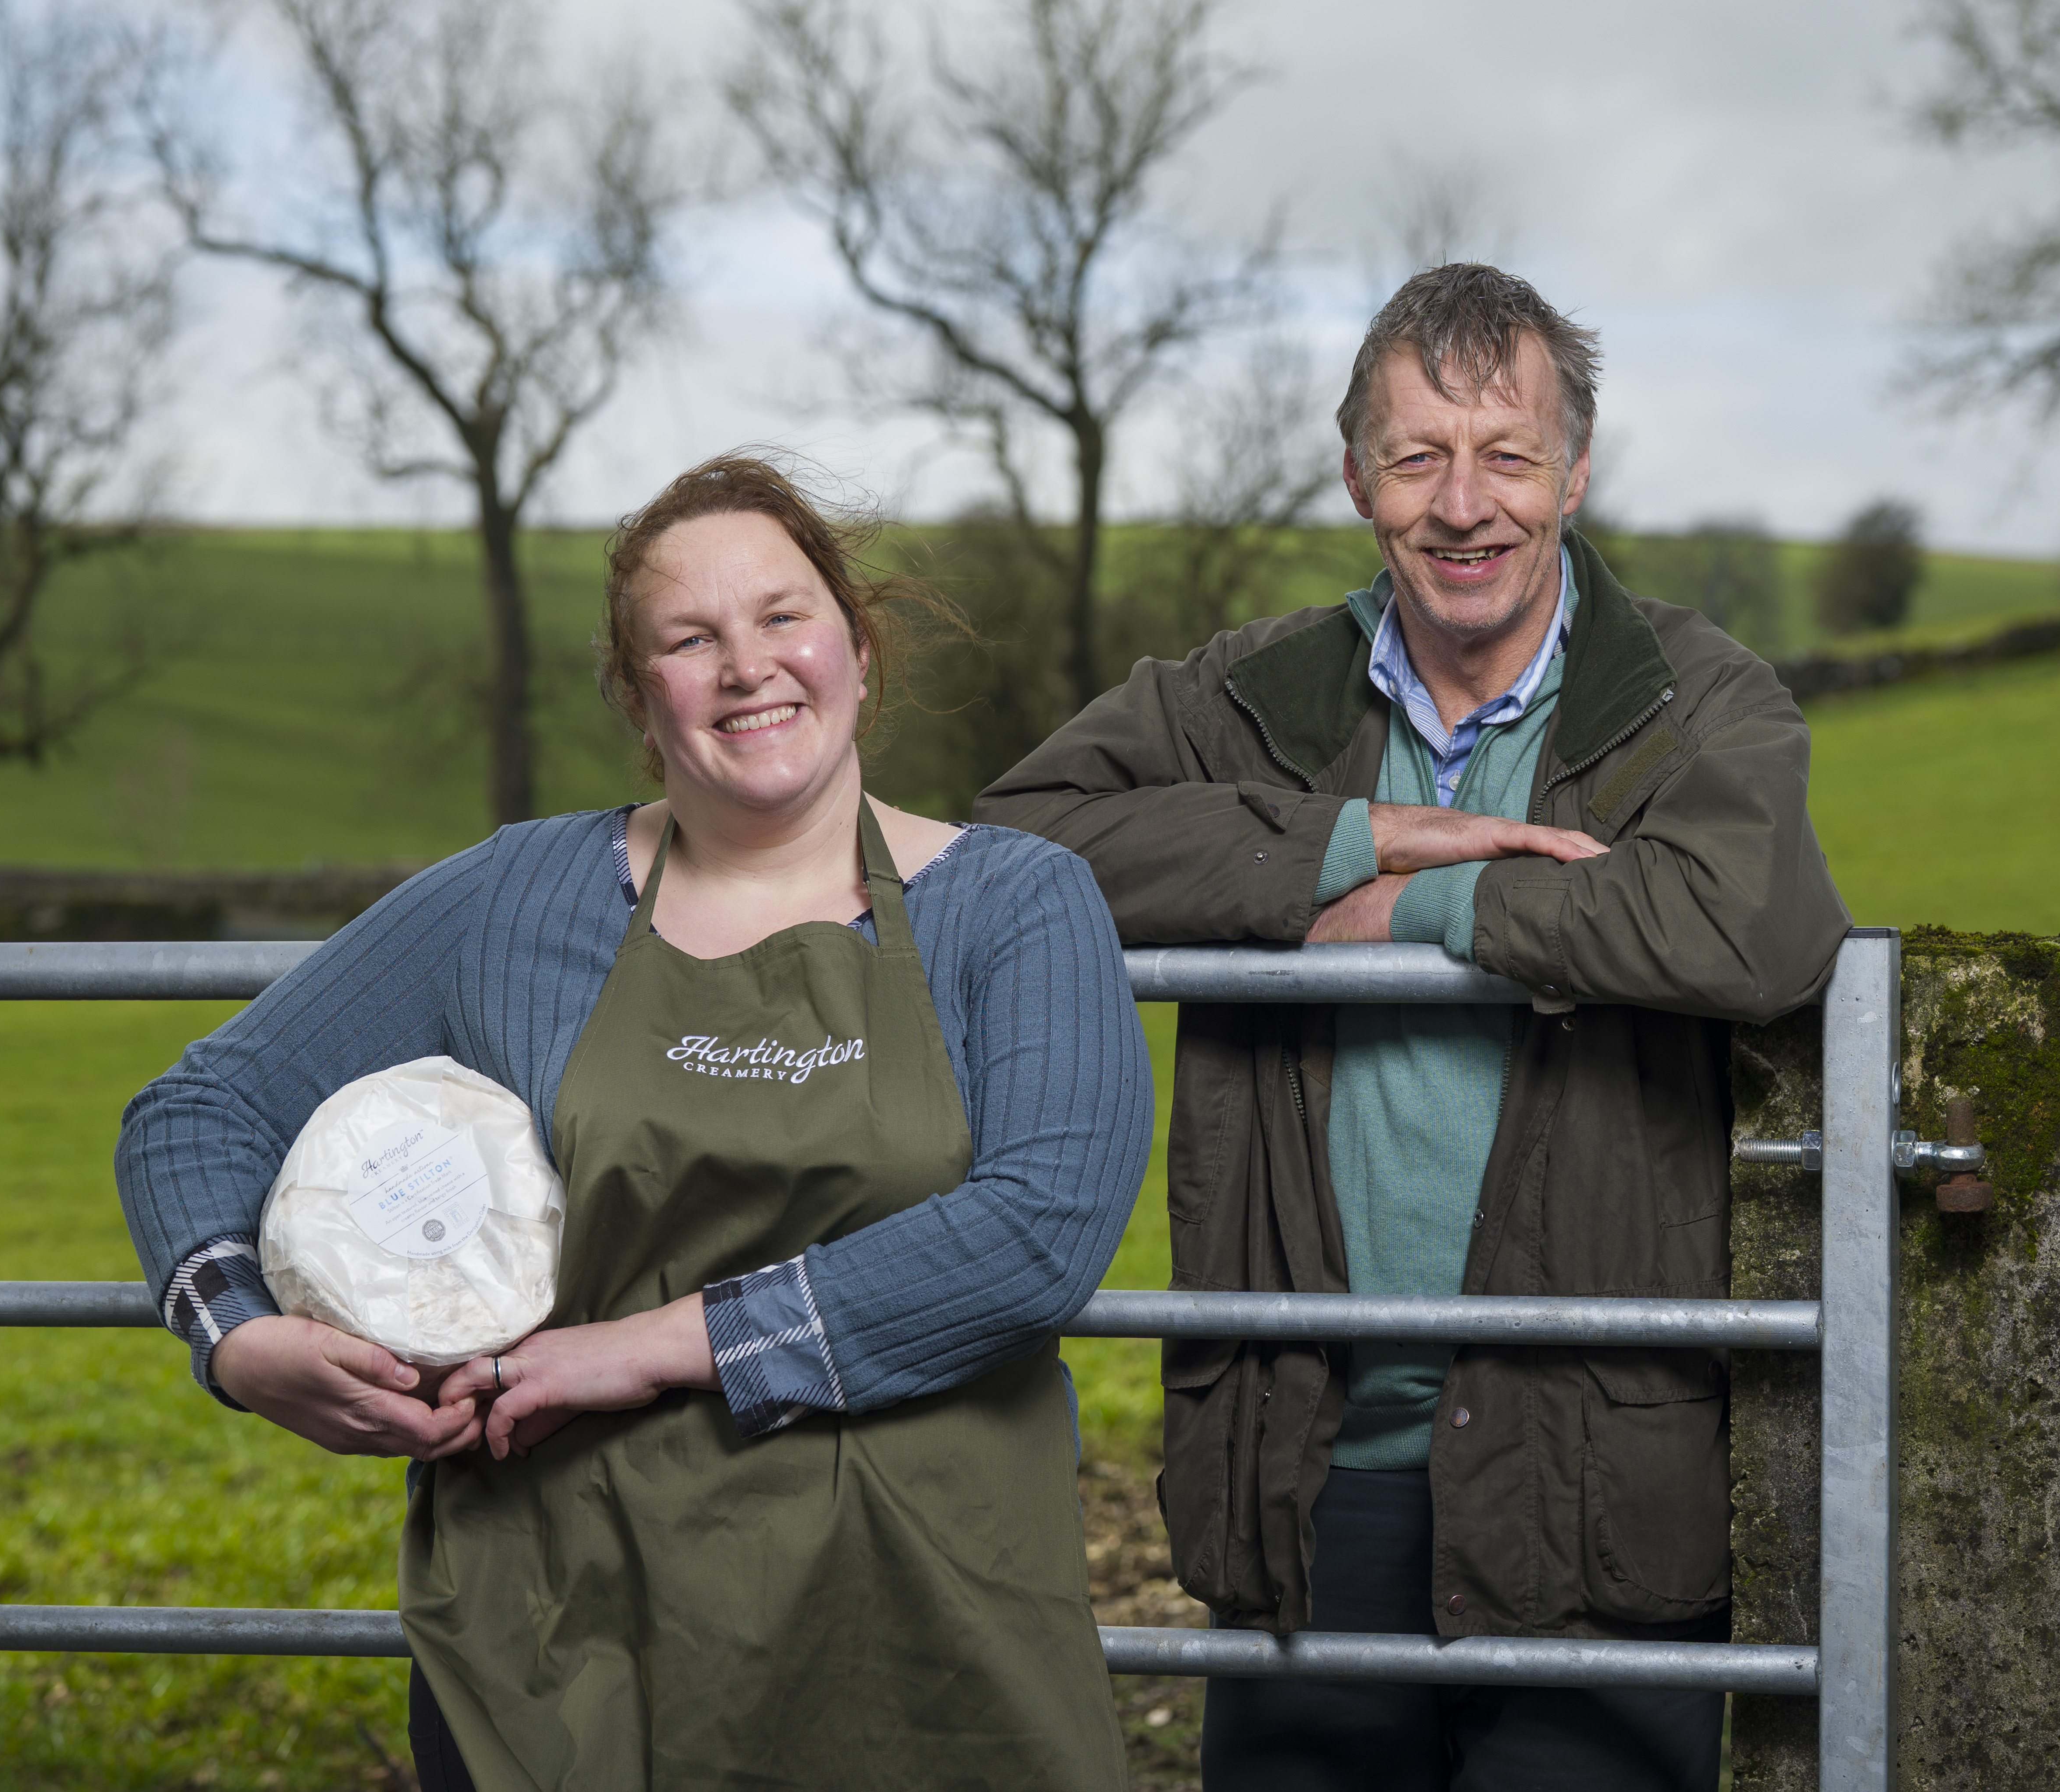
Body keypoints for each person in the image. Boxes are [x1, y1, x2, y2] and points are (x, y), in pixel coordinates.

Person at [115, 454, 1147, 1792]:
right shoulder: (514, 898)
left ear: (854, 644)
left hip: (921, 1615)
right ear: (637, 694)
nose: (747, 667)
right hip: (565, 1614)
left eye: (783, 617)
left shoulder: (1012, 904)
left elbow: (1039, 1235)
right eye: (689, 638)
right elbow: (199, 1106)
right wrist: (233, 1334)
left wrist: (659, 1347)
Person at [975, 263, 1851, 1792]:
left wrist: (1430, 914)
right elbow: (1020, 845)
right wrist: (1348, 841)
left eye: (1507, 454)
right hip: (1304, 1465)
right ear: (1353, 478)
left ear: (1573, 472)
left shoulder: (1695, 701)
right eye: (1416, 456)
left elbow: (1747, 924)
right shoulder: (1246, 698)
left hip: (1592, 1461)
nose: (1464, 505)